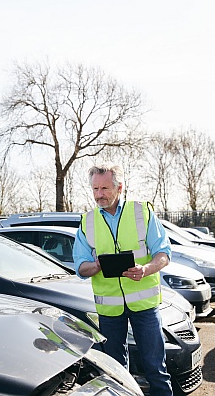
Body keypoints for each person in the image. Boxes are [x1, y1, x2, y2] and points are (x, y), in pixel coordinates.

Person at [72, 162, 173, 396]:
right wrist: (95, 266)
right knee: (115, 371)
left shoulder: (142, 212)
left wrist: (146, 269)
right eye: (96, 189)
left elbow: (164, 254)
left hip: (145, 307)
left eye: (105, 188)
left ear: (119, 187)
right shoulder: (87, 221)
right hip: (109, 310)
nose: (100, 195)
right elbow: (80, 266)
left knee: (155, 367)